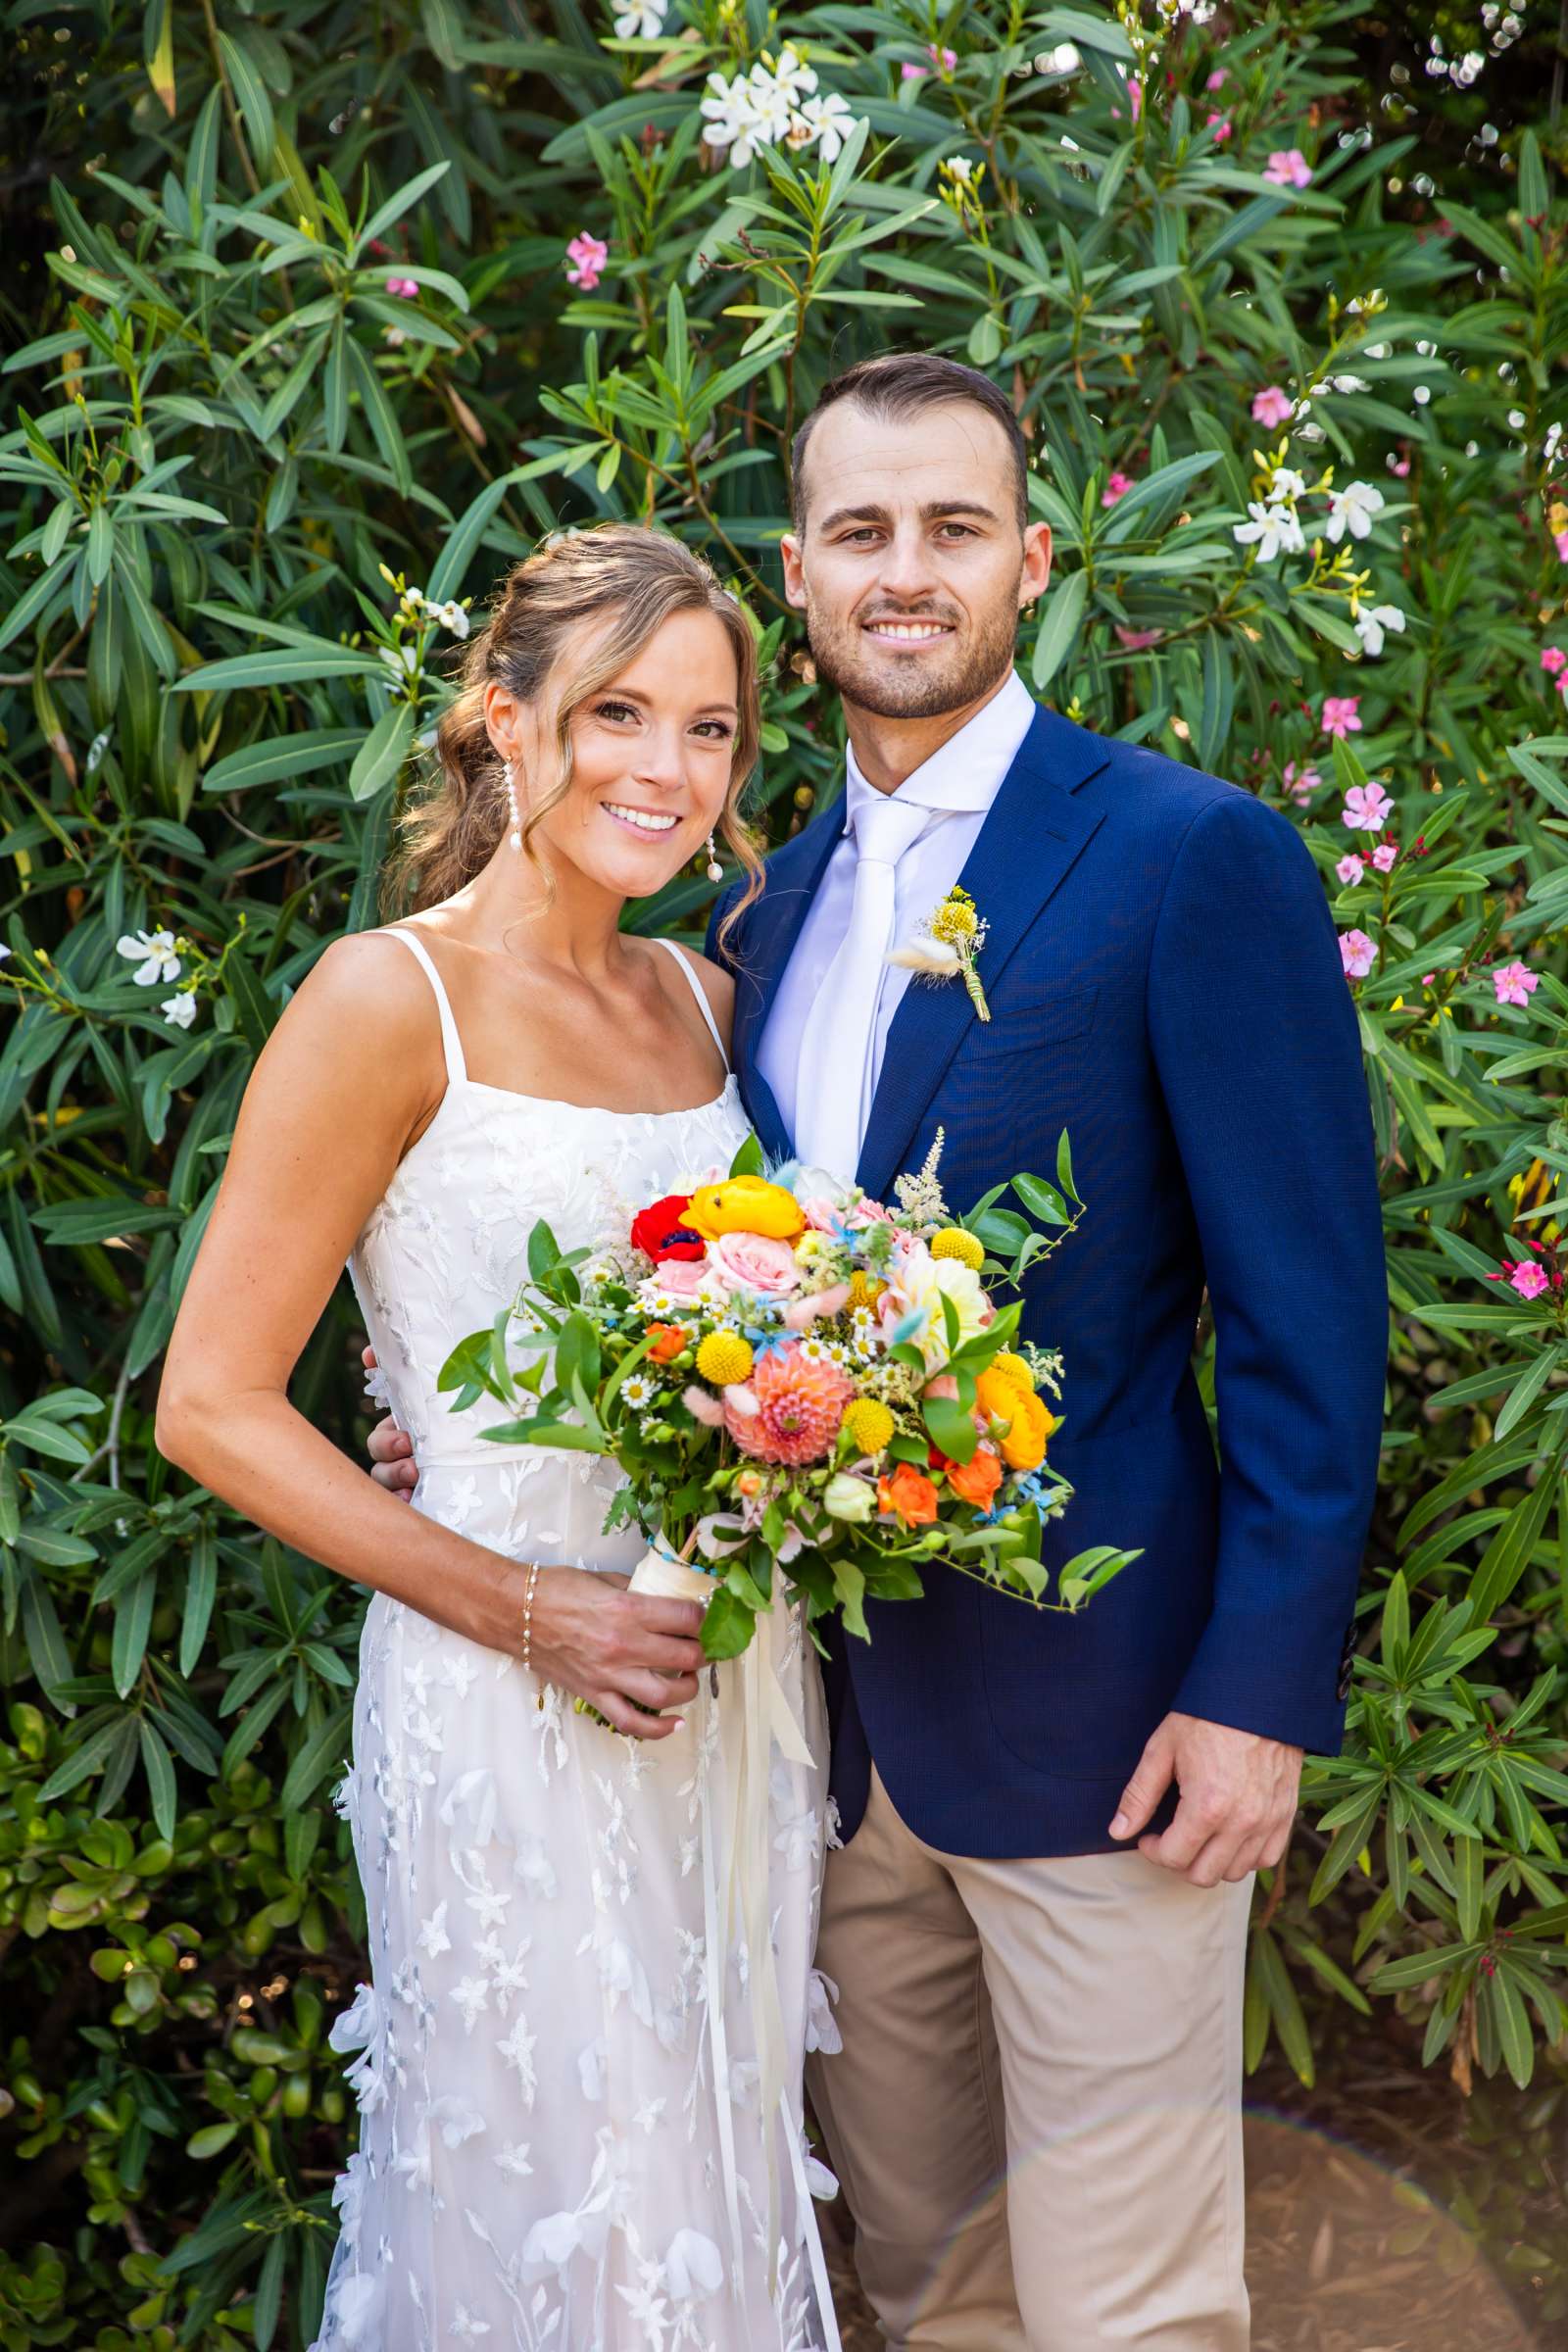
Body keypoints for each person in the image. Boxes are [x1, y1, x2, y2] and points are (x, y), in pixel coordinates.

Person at [157, 524, 841, 2352]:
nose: (666, 771)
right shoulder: (391, 999)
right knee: (557, 2210)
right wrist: (528, 1602)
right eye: (617, 711)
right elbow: (211, 1404)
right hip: (505, 1697)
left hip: (729, 1683)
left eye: (708, 731)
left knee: (715, 2173)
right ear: (503, 722)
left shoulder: (708, 999)